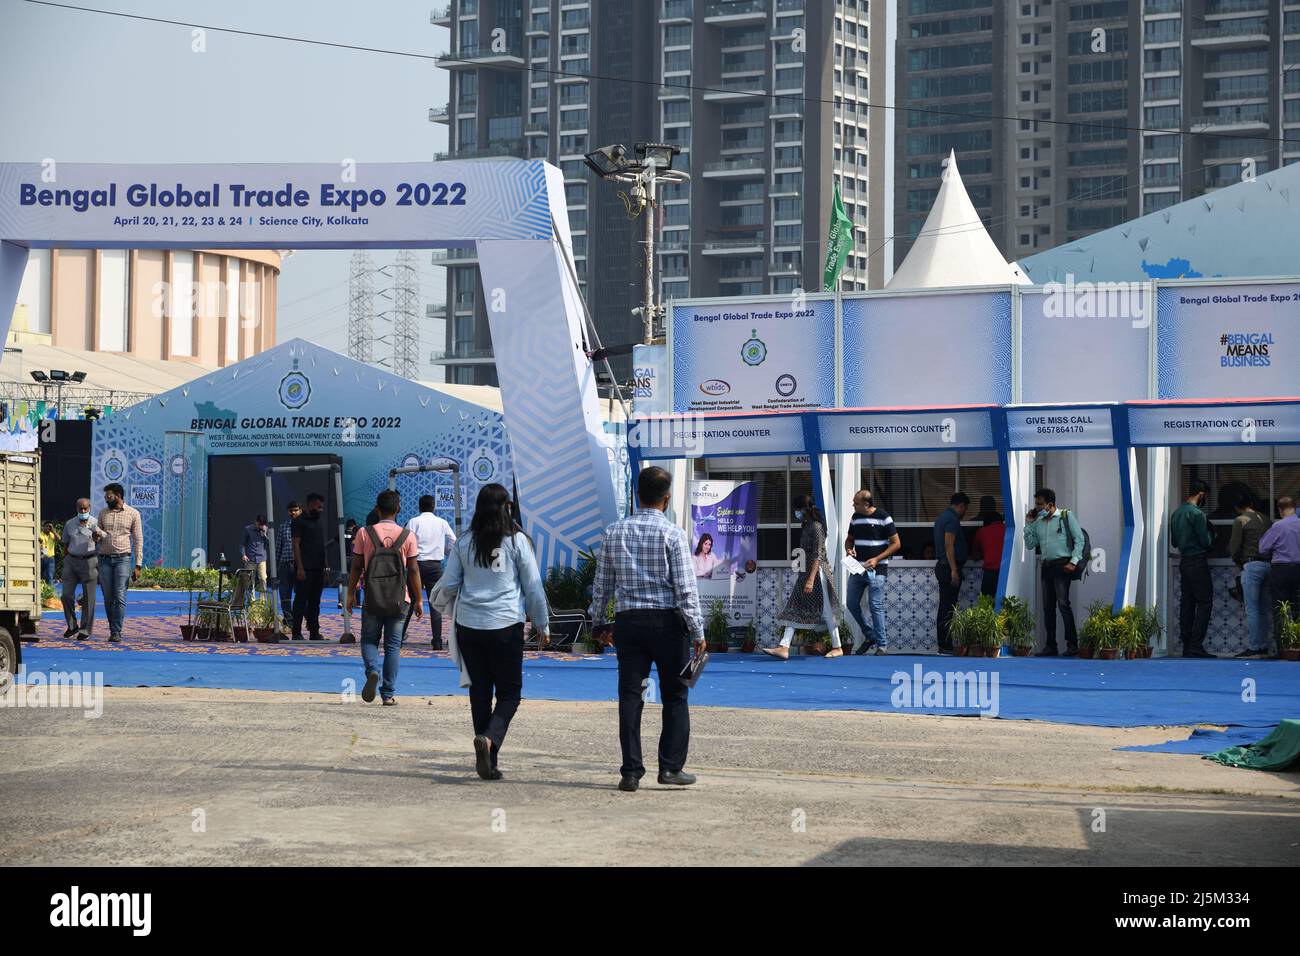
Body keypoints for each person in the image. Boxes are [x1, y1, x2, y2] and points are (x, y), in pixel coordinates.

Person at [590, 466, 705, 792]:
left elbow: (602, 585)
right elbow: (685, 589)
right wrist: (698, 632)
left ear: (636, 495)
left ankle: (630, 771)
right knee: (676, 695)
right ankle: (670, 768)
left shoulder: (614, 532)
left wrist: (599, 622)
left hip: (629, 624)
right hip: (668, 625)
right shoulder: (673, 534)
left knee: (630, 696)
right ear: (666, 499)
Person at [436, 483, 550, 780]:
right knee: (510, 693)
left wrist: (439, 600)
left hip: (469, 627)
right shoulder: (517, 542)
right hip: (505, 626)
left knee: (479, 691)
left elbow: (449, 584)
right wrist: (542, 624)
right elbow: (533, 587)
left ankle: (487, 756)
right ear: (507, 508)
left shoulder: (465, 542)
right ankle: (489, 742)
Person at [346, 490, 422, 706]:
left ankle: (372, 670)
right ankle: (387, 694)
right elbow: (414, 570)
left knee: (369, 639)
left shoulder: (364, 533)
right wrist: (418, 599)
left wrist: (351, 593)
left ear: (377, 509)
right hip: (400, 599)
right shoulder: (408, 536)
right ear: (398, 509)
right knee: (393, 645)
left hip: (372, 597)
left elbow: (357, 566)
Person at [763, 495, 846, 660]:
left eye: (796, 509)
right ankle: (784, 646)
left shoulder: (816, 527)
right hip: (807, 572)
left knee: (827, 610)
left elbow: (817, 555)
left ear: (803, 509)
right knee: (795, 606)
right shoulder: (807, 526)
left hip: (817, 573)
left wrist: (810, 579)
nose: (795, 513)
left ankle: (837, 647)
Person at [1023, 487, 1084, 657]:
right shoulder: (1038, 522)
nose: (1037, 507)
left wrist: (1073, 561)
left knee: (1063, 604)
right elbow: (1030, 544)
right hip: (1047, 567)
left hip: (1062, 565)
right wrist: (1028, 524)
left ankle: (1072, 645)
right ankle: (1051, 645)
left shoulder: (1066, 516)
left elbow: (1080, 540)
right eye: (1036, 504)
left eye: (1040, 504)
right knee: (1047, 607)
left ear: (1050, 504)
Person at [843, 488, 899, 656]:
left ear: (866, 504)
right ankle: (870, 635)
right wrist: (849, 550)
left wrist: (876, 559)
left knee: (875, 605)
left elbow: (896, 544)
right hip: (858, 568)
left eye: (856, 503)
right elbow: (849, 539)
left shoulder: (884, 517)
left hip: (878, 568)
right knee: (851, 604)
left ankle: (882, 645)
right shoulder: (855, 517)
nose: (853, 505)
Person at [1170, 479, 1215, 658]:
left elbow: (1174, 542)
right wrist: (1212, 534)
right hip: (1198, 561)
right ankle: (1196, 644)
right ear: (1201, 494)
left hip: (1184, 562)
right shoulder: (1197, 514)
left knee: (1187, 603)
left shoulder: (1176, 513)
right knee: (1205, 602)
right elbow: (1206, 541)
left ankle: (1187, 644)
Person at [405, 495, 457, 649]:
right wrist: (445, 552)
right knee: (435, 603)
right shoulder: (442, 522)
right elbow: (453, 540)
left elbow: (407, 540)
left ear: (419, 507)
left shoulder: (413, 522)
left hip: (416, 565)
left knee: (410, 601)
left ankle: (398, 638)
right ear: (433, 507)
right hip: (435, 566)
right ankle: (437, 641)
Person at [96, 482, 143, 643]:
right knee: (108, 598)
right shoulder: (103, 513)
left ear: (118, 495)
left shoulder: (133, 513)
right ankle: (112, 628)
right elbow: (98, 535)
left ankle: (116, 632)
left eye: (109, 496)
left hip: (123, 559)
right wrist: (95, 535)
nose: (106, 499)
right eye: (105, 496)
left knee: (120, 596)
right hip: (104, 560)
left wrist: (138, 565)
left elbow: (138, 540)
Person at [1229, 490, 1272, 658]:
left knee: (1252, 609)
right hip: (1268, 565)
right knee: (1263, 609)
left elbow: (1234, 548)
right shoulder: (1266, 519)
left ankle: (1254, 647)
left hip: (1252, 565)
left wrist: (1239, 563)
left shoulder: (1241, 520)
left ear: (1236, 506)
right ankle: (1264, 646)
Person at [1259, 496, 1300, 659]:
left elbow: (1263, 548)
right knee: (1298, 609)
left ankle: (1283, 649)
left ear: (1280, 510)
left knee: (1280, 610)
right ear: (1294, 508)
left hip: (1281, 570)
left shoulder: (1278, 526)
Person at [60, 499, 103, 640]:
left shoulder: (96, 523)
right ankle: (72, 626)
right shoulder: (70, 523)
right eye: (80, 509)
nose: (83, 512)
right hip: (71, 560)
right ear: (76, 508)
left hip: (89, 560)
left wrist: (97, 536)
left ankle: (85, 629)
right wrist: (66, 560)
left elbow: (102, 540)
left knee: (89, 597)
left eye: (85, 509)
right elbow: (65, 543)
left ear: (89, 508)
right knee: (66, 595)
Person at [933, 492, 970, 654]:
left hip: (944, 567)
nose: (965, 512)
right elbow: (949, 545)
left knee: (946, 606)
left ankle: (945, 643)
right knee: (947, 607)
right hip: (948, 568)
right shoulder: (952, 520)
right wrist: (954, 569)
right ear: (961, 505)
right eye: (965, 508)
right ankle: (945, 644)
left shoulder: (942, 517)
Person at [291, 492, 329, 641]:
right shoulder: (299, 522)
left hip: (318, 568)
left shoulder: (318, 522)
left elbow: (321, 546)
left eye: (322, 507)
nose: (321, 510)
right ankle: (296, 632)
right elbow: (296, 544)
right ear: (311, 504)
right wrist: (300, 567)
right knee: (300, 601)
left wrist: (326, 567)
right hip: (304, 569)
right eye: (319, 507)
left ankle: (314, 632)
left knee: (315, 602)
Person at [972, 496, 1006, 598]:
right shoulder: (1008, 530)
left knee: (987, 604)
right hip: (1007, 571)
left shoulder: (981, 531)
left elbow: (975, 554)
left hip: (990, 573)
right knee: (1006, 602)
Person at [274, 501, 301, 628]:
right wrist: (275, 567)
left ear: (300, 510)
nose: (293, 513)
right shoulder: (283, 527)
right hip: (285, 564)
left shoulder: (304, 526)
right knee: (285, 595)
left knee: (301, 594)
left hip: (300, 565)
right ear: (288, 512)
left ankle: (298, 621)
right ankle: (289, 621)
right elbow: (278, 547)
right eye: (291, 510)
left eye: (295, 510)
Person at [240, 514, 270, 591]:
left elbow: (270, 543)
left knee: (263, 578)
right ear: (256, 521)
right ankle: (252, 601)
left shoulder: (266, 529)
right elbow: (242, 543)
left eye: (262, 524)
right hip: (250, 559)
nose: (260, 526)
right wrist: (243, 555)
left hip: (262, 559)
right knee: (249, 581)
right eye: (259, 524)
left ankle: (262, 602)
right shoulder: (248, 529)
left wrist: (264, 535)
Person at [39, 521, 57, 586]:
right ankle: (40, 591)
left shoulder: (52, 535)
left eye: (50, 527)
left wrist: (53, 530)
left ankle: (50, 593)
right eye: (47, 526)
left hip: (50, 558)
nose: (48, 528)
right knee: (40, 576)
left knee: (50, 576)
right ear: (43, 527)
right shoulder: (40, 534)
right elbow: (39, 541)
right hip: (41, 558)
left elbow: (59, 538)